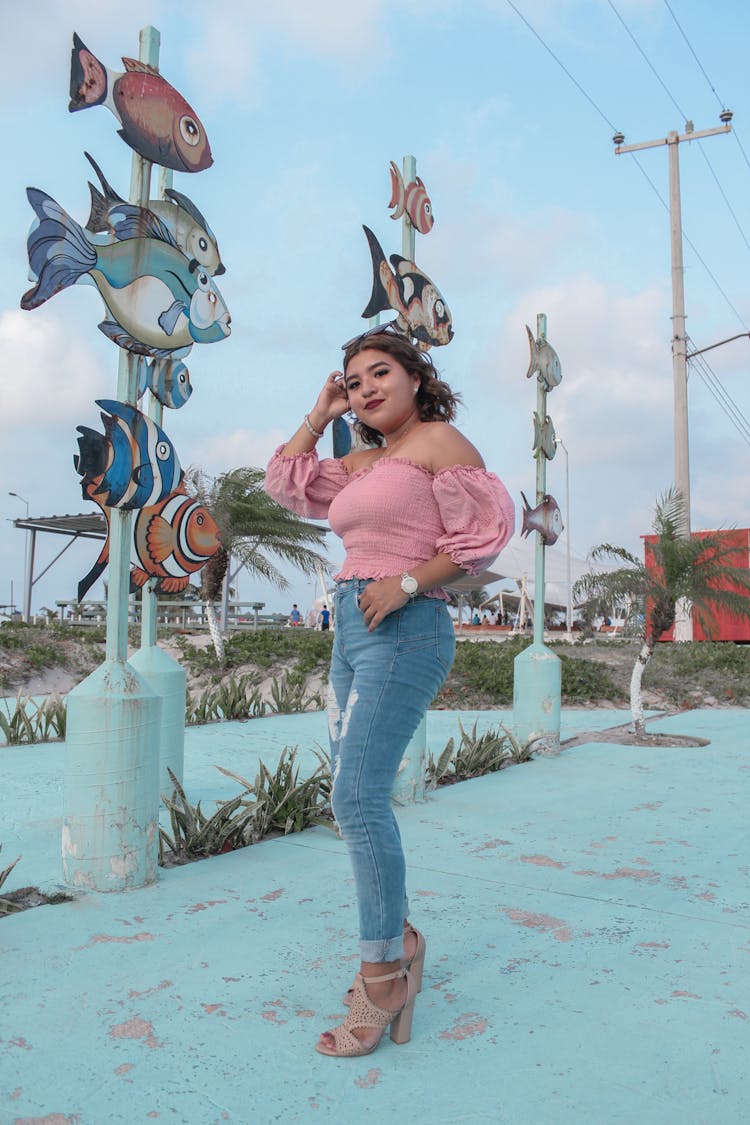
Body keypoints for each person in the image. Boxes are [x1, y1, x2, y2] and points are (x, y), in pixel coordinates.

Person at [265, 327, 514, 1058]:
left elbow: (484, 536)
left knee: (357, 797)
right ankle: (400, 939)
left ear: (414, 377)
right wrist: (320, 410)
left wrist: (405, 582)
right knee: (354, 795)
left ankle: (383, 975)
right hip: (350, 629)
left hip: (405, 626)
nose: (368, 387)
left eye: (381, 372)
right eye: (354, 379)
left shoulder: (439, 442)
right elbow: (283, 482)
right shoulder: (362, 462)